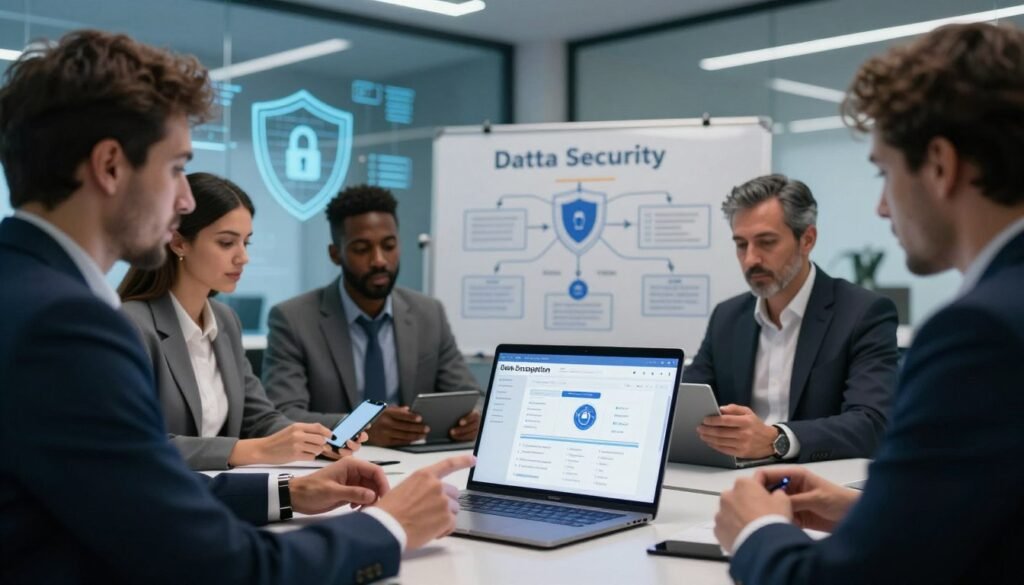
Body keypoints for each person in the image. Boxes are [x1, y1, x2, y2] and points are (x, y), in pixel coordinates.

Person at [0, 29, 471, 584]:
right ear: (110, 166)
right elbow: (219, 566)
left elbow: (143, 491)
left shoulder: (25, 292)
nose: (184, 201)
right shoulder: (66, 326)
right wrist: (390, 528)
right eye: (176, 167)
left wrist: (293, 490)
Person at [714, 22, 1024, 584]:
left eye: (884, 172)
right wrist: (867, 512)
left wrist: (756, 532)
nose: (882, 209)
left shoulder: (981, 332)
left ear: (940, 164)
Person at [118, 172, 363, 470]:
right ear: (179, 243)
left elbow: (259, 418)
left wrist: (316, 441)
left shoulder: (225, 321)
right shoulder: (131, 326)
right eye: (226, 243)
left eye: (246, 242)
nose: (243, 257)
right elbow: (137, 444)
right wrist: (252, 451)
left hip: (223, 493)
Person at [682, 174, 899, 462]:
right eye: (741, 244)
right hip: (732, 480)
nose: (751, 259)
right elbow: (684, 404)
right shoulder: (728, 317)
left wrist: (778, 439)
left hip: (819, 483)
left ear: (807, 239)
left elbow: (871, 424)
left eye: (766, 242)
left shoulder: (863, 313)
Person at [263, 185, 483, 446]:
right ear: (336, 254)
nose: (379, 260)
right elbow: (283, 416)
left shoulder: (428, 313)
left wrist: (472, 419)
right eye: (361, 249)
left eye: (389, 246)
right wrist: (359, 427)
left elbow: (469, 396)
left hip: (414, 462)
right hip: (331, 469)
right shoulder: (293, 319)